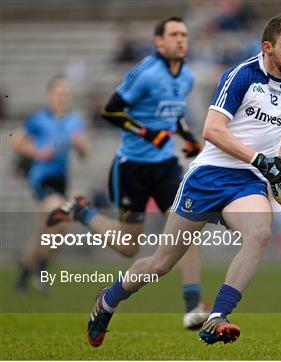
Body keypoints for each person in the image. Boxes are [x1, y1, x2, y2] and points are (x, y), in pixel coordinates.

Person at [85, 14, 281, 347]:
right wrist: (261, 160)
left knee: (259, 232)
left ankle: (218, 316)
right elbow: (212, 131)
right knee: (160, 263)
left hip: (247, 182)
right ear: (267, 47)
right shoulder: (241, 76)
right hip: (208, 176)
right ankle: (108, 301)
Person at [47, 17, 209, 330]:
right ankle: (81, 212)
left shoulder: (186, 78)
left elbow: (172, 115)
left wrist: (188, 137)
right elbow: (110, 109)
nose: (181, 40)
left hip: (166, 168)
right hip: (131, 168)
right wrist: (147, 134)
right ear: (159, 42)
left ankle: (192, 307)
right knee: (128, 247)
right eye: (173, 35)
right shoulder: (146, 73)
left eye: (184, 35)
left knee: (186, 230)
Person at [11, 76, 89, 292]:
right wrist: (37, 152)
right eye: (59, 93)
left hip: (61, 179)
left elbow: (84, 153)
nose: (63, 97)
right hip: (41, 177)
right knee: (58, 214)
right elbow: (16, 141)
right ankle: (42, 269)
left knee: (47, 229)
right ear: (50, 95)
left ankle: (25, 275)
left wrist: (80, 145)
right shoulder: (38, 119)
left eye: (66, 94)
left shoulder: (74, 121)